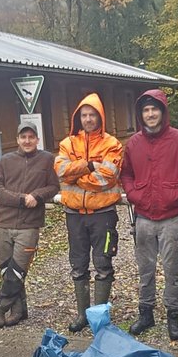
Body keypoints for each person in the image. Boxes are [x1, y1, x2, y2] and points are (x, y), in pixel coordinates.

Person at [121, 89, 178, 341]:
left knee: (172, 269)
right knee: (145, 269)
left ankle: (173, 314)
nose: (151, 114)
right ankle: (146, 313)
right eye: (146, 110)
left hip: (171, 217)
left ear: (163, 111)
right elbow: (126, 174)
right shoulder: (134, 143)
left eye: (155, 109)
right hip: (143, 217)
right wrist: (134, 194)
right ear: (140, 114)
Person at [55, 93, 123, 332]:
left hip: (103, 214)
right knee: (78, 264)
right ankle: (82, 314)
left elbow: (106, 177)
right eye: (84, 115)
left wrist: (77, 177)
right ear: (78, 118)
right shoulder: (67, 144)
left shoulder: (112, 144)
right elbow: (61, 171)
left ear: (100, 117)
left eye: (92, 115)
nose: (88, 119)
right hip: (74, 214)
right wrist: (89, 165)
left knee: (103, 263)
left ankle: (99, 317)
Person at [0, 121, 59, 328]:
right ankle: (20, 310)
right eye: (23, 137)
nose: (27, 141)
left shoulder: (47, 159)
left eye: (31, 137)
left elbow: (53, 187)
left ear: (37, 139)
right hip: (4, 222)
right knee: (6, 271)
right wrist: (21, 199)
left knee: (17, 271)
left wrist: (37, 196)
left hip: (29, 225)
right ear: (18, 139)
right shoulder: (6, 160)